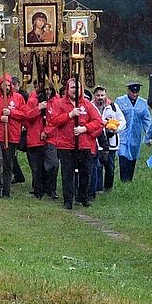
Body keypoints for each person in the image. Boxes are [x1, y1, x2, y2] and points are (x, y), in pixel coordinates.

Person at [46, 77, 104, 210]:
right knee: (67, 174)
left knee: (85, 172)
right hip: (66, 145)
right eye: (72, 87)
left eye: (77, 87)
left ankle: (83, 197)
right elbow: (54, 120)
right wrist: (69, 115)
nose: (75, 90)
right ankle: (68, 200)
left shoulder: (87, 104)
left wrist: (85, 128)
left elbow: (98, 121)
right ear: (67, 89)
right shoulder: (60, 103)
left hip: (84, 145)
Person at [112, 81, 152, 184]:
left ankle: (129, 180)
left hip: (135, 135)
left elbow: (147, 120)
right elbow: (114, 116)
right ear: (128, 91)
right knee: (123, 155)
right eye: (132, 92)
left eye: (136, 92)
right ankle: (123, 179)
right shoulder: (120, 101)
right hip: (122, 135)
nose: (134, 94)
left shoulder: (142, 103)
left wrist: (149, 136)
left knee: (132, 159)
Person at [0, 78, 27, 199]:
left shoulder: (18, 98)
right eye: (5, 85)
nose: (7, 87)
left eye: (9, 85)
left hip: (12, 136)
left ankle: (6, 190)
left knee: (8, 163)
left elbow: (24, 114)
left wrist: (11, 113)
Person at [90, 86, 121, 195]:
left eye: (102, 95)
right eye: (98, 95)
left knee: (110, 167)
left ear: (105, 95)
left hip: (111, 141)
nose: (100, 97)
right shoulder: (90, 106)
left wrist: (115, 128)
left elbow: (122, 121)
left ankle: (108, 188)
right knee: (97, 166)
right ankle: (98, 189)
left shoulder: (113, 107)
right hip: (96, 142)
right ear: (94, 96)